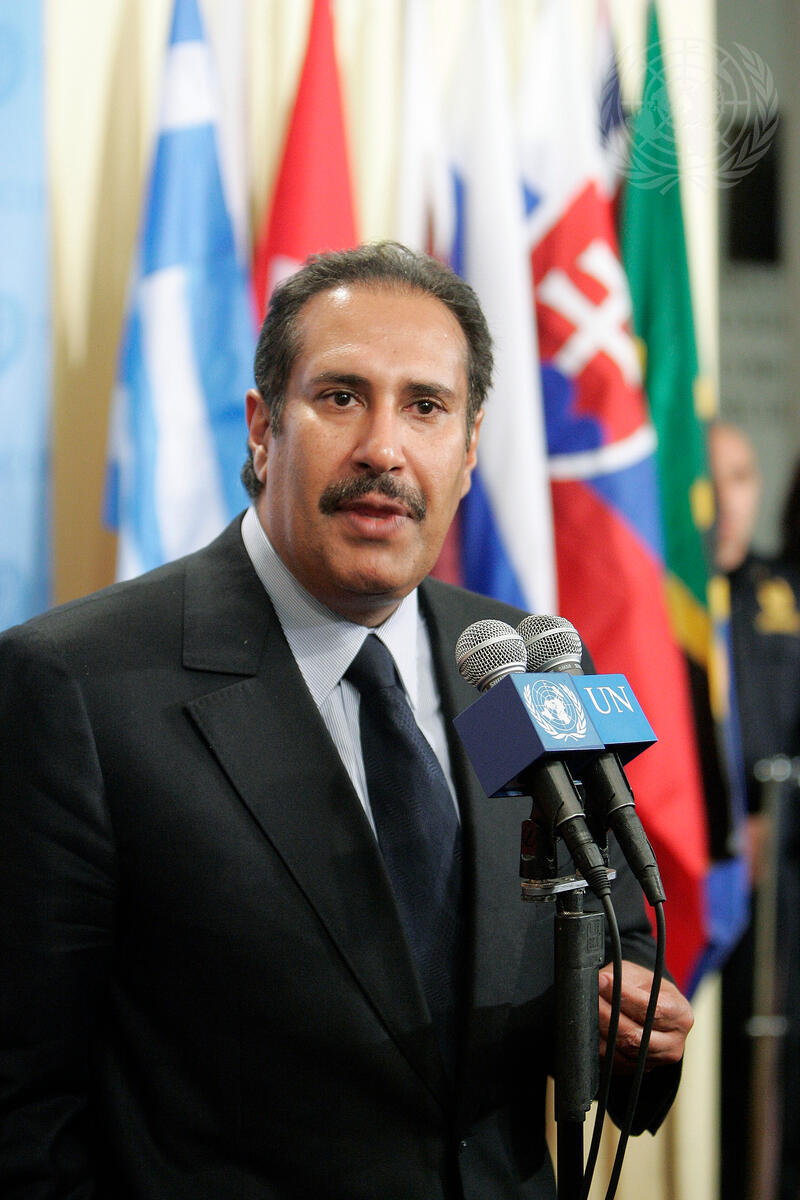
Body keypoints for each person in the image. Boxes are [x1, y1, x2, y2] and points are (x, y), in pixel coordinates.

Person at [0, 242, 692, 1199]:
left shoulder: (521, 663)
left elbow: (611, 938)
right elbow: (23, 1105)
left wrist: (633, 1036)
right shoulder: (75, 685)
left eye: (426, 406)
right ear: (262, 428)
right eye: (340, 397)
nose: (383, 449)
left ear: (469, 449)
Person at [708, 420, 800, 1200]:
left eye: (741, 478)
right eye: (712, 481)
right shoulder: (670, 599)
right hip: (701, 868)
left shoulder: (783, 595)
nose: (726, 501)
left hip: (782, 878)